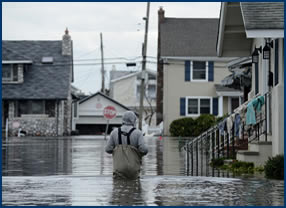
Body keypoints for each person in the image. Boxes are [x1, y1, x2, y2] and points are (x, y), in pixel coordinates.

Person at [105, 111, 148, 179]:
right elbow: (144, 150)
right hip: (133, 170)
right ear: (133, 120)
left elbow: (108, 149)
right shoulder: (138, 133)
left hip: (118, 169)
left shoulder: (114, 132)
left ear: (123, 120)